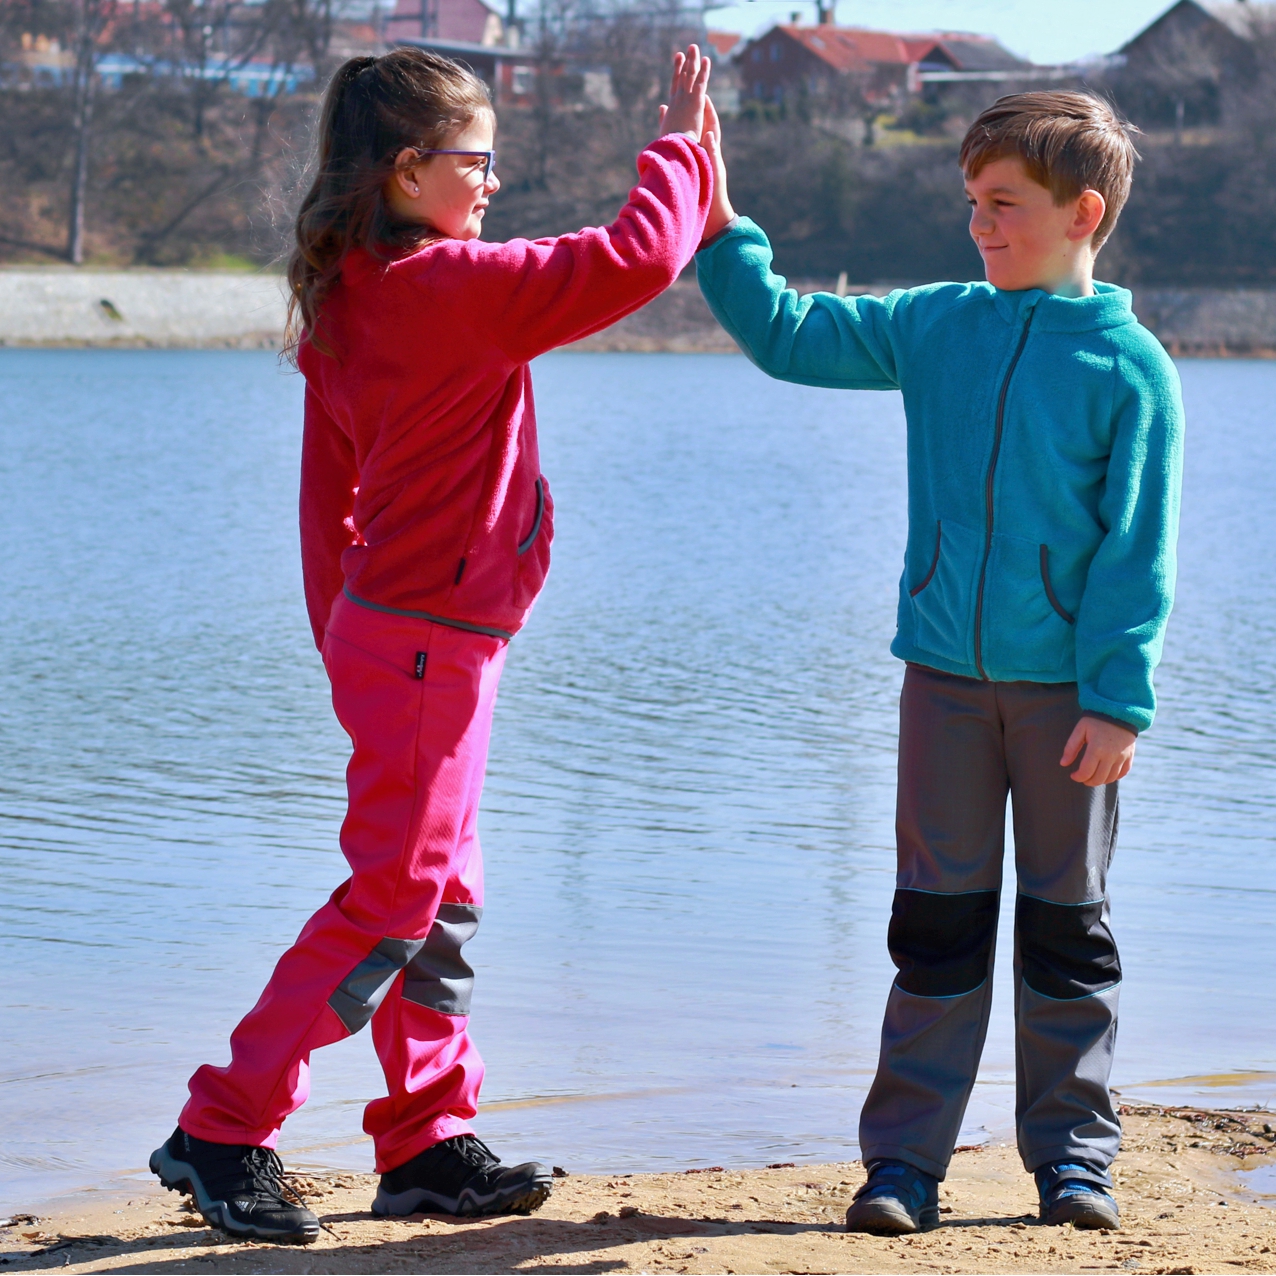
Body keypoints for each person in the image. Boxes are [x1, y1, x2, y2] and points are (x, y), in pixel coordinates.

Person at [149, 44, 715, 1243]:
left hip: (415, 639)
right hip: (420, 642)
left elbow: (326, 507)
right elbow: (640, 256)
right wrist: (679, 145)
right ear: (409, 169)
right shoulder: (447, 287)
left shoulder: (361, 291)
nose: (494, 179)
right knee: (396, 897)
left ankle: (425, 1144)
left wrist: (344, 642)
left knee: (437, 899)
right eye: (478, 158)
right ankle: (223, 1128)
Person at [694, 92, 1183, 1234]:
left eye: (1002, 205)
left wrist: (1118, 701)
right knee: (936, 924)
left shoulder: (1129, 366)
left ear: (1083, 212)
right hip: (944, 689)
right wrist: (720, 226)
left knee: (1067, 927)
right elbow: (786, 335)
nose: (979, 225)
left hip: (1072, 700)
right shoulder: (935, 324)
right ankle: (903, 1164)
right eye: (970, 203)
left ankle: (1075, 1160)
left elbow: (1135, 551)